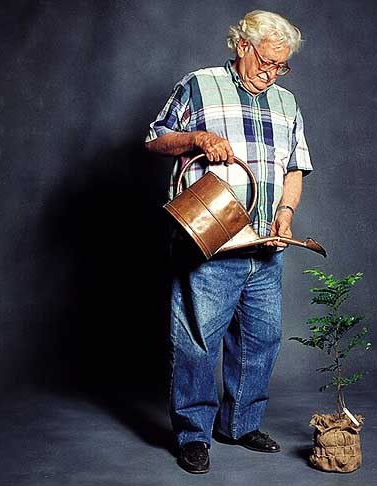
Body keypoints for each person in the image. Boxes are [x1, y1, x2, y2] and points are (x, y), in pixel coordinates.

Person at [144, 10, 312, 474]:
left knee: (262, 340)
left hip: (266, 245)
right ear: (243, 46)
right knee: (197, 343)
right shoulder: (199, 84)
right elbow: (154, 140)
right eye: (267, 61)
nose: (272, 73)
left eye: (281, 65)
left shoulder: (287, 102)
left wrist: (285, 214)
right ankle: (194, 435)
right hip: (211, 243)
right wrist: (198, 138)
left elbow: (294, 168)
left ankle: (239, 425)